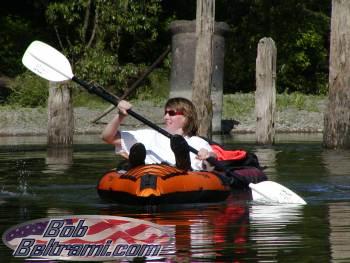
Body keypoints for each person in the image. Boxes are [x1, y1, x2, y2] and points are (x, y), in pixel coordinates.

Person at [101, 97, 216, 171]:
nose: (166, 117)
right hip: (148, 174)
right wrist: (120, 116)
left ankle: (181, 161)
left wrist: (208, 156)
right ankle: (137, 163)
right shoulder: (149, 135)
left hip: (181, 177)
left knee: (183, 163)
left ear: (186, 117)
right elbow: (107, 137)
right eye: (165, 113)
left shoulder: (197, 141)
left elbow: (212, 161)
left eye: (171, 113)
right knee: (137, 151)